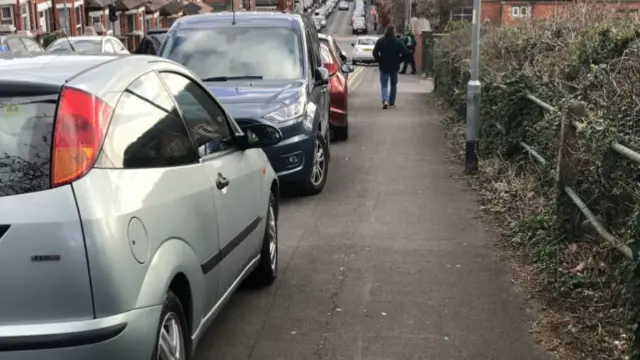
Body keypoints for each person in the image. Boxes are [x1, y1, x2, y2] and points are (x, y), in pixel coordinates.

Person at [372, 24, 411, 109]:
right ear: (394, 31)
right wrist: (399, 60)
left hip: (384, 66)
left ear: (386, 30)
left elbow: (374, 53)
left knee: (384, 84)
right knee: (393, 84)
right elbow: (407, 53)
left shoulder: (381, 41)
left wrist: (379, 60)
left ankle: (385, 100)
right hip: (394, 66)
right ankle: (392, 103)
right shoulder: (398, 42)